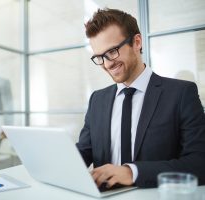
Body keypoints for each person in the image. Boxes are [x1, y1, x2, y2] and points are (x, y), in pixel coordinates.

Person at [76, 8, 205, 188]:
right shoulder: (97, 100)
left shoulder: (181, 94)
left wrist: (131, 172)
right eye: (99, 57)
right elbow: (82, 153)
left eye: (112, 51)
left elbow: (199, 164)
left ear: (136, 42)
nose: (107, 64)